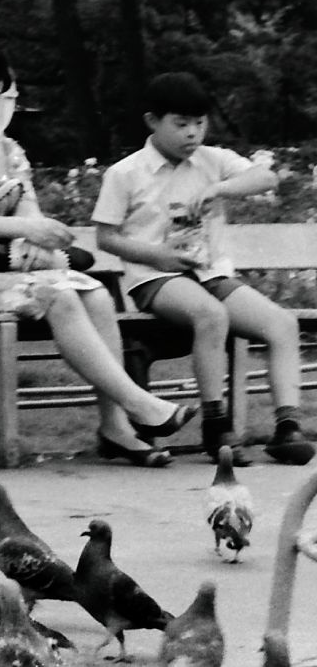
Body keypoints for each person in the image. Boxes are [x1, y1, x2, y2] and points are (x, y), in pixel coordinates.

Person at [0, 35, 194, 466]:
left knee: (94, 292)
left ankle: (115, 426)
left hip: (4, 276)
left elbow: (29, 209)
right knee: (58, 295)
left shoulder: (7, 151)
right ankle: (140, 403)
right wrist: (27, 230)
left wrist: (34, 240)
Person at [93, 72, 313, 465]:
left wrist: (220, 188)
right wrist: (156, 256)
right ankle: (216, 424)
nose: (192, 133)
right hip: (155, 278)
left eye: (200, 123)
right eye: (181, 124)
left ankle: (287, 428)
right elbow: (105, 238)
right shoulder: (125, 173)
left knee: (282, 324)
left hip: (210, 275)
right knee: (211, 315)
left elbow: (266, 176)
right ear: (152, 121)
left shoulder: (212, 160)